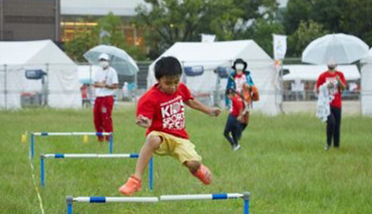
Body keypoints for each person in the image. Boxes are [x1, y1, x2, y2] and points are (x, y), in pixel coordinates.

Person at [118, 56, 221, 196]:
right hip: (161, 136)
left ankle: (198, 169)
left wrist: (208, 110)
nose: (173, 86)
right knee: (152, 139)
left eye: (176, 82)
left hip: (180, 137)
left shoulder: (181, 89)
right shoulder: (148, 98)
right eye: (168, 83)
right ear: (158, 80)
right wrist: (145, 123)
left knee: (194, 164)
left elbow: (191, 101)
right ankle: (135, 180)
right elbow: (147, 121)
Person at [315, 58, 347, 150]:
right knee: (331, 122)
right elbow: (317, 89)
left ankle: (336, 146)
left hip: (337, 103)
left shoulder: (340, 75)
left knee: (337, 125)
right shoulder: (322, 76)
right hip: (326, 105)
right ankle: (328, 143)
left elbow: (344, 88)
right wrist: (325, 86)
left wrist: (339, 80)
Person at [226, 58, 259, 132]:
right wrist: (228, 101)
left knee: (246, 118)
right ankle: (235, 133)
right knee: (236, 116)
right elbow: (228, 88)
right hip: (235, 99)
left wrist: (249, 85)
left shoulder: (247, 76)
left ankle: (239, 131)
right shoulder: (232, 76)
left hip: (246, 99)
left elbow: (252, 84)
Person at [93, 53, 119, 142]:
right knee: (97, 118)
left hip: (107, 98)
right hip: (98, 97)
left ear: (108, 61)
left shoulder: (112, 71)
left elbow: (115, 85)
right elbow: (95, 83)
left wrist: (106, 86)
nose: (102, 62)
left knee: (106, 117)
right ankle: (100, 138)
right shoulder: (97, 71)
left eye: (104, 60)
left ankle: (109, 138)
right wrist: (101, 84)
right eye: (101, 60)